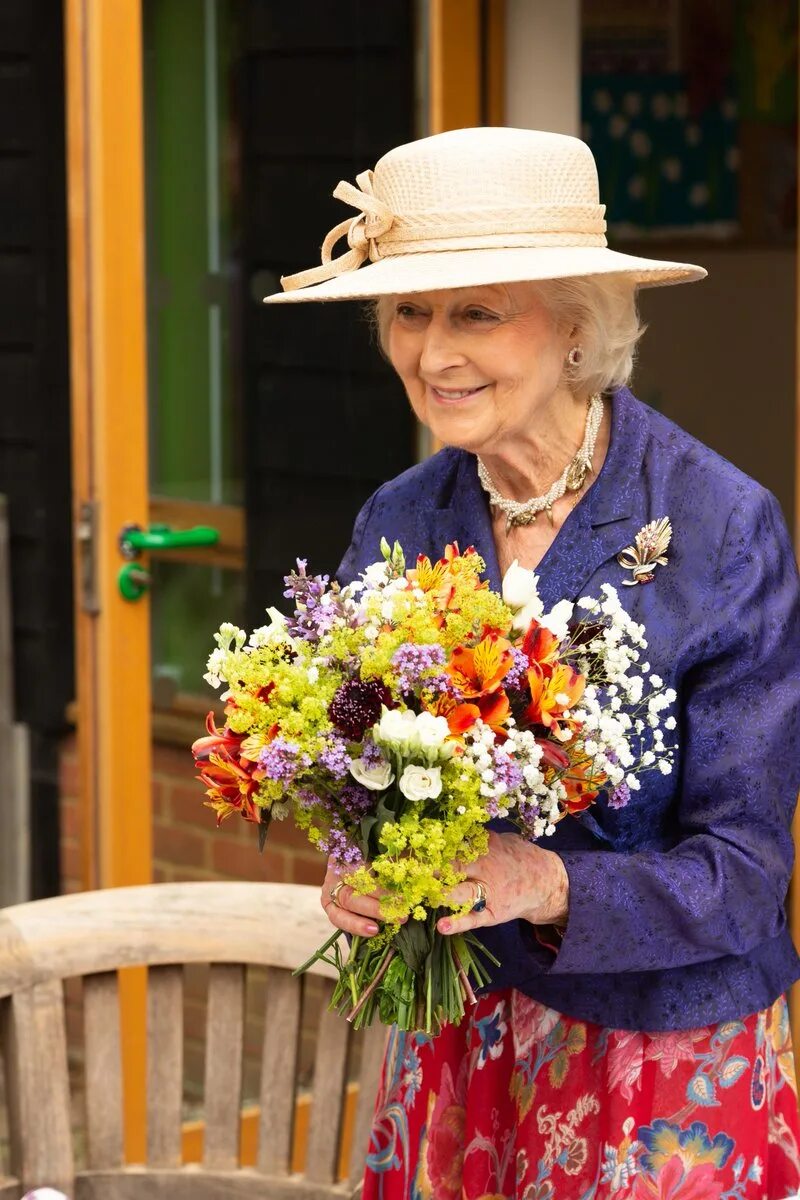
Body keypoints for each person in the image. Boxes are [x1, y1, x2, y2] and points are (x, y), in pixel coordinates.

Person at [264, 127, 800, 1199]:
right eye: (408, 312)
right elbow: (357, 770)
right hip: (454, 1052)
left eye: (474, 313)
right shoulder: (402, 515)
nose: (431, 354)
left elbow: (744, 879)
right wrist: (358, 863)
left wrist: (541, 880)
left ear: (573, 329)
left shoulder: (716, 524)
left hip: (660, 1066)